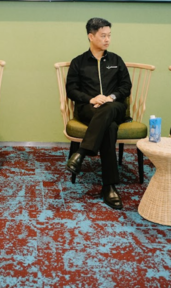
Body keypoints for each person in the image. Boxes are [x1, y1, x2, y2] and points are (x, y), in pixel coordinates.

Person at [65, 17, 132, 209]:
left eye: (109, 35)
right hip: (89, 108)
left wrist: (111, 97)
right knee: (109, 127)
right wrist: (91, 99)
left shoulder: (116, 60)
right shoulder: (78, 62)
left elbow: (126, 86)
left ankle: (82, 152)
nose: (107, 39)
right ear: (91, 36)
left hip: (115, 106)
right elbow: (71, 90)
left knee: (109, 110)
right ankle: (109, 186)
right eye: (103, 35)